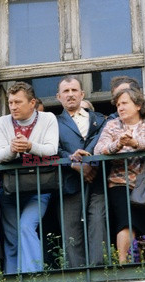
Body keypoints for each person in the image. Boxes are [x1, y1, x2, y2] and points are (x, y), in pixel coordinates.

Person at [0, 81, 59, 273]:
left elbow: (51, 149)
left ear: (32, 103)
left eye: (18, 102)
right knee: (12, 236)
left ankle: (32, 275)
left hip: (39, 187)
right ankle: (13, 279)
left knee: (26, 226)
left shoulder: (48, 118)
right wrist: (13, 150)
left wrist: (30, 146)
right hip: (10, 189)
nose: (13, 107)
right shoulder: (3, 122)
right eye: (10, 102)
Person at [94, 88, 145, 263]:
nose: (120, 107)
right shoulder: (112, 125)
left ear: (138, 105)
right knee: (126, 221)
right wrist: (117, 144)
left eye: (124, 103)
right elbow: (98, 149)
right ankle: (123, 263)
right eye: (118, 104)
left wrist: (135, 143)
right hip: (120, 181)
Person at [56, 75, 107, 267]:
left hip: (96, 179)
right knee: (71, 229)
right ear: (58, 97)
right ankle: (76, 275)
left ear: (82, 94)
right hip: (68, 182)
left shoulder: (100, 119)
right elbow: (54, 149)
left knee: (97, 224)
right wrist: (72, 161)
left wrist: (88, 159)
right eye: (66, 91)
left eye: (74, 90)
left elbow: (102, 138)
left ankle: (99, 270)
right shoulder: (53, 122)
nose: (70, 95)